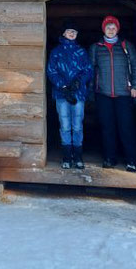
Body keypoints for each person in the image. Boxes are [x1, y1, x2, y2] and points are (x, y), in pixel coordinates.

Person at [90, 15, 136, 172]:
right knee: (107, 128)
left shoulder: (126, 46)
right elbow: (90, 70)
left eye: (113, 27)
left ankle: (131, 160)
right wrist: (92, 91)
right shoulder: (96, 47)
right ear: (103, 29)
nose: (111, 30)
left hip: (124, 94)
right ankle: (109, 158)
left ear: (117, 29)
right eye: (108, 27)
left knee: (126, 128)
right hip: (103, 94)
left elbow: (135, 66)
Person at [46, 18, 93, 169]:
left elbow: (88, 70)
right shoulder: (56, 52)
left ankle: (78, 157)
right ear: (64, 33)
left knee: (77, 125)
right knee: (65, 125)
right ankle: (66, 157)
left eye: (74, 32)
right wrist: (63, 86)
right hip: (61, 95)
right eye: (69, 31)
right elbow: (51, 71)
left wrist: (78, 82)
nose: (72, 34)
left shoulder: (81, 51)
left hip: (78, 94)